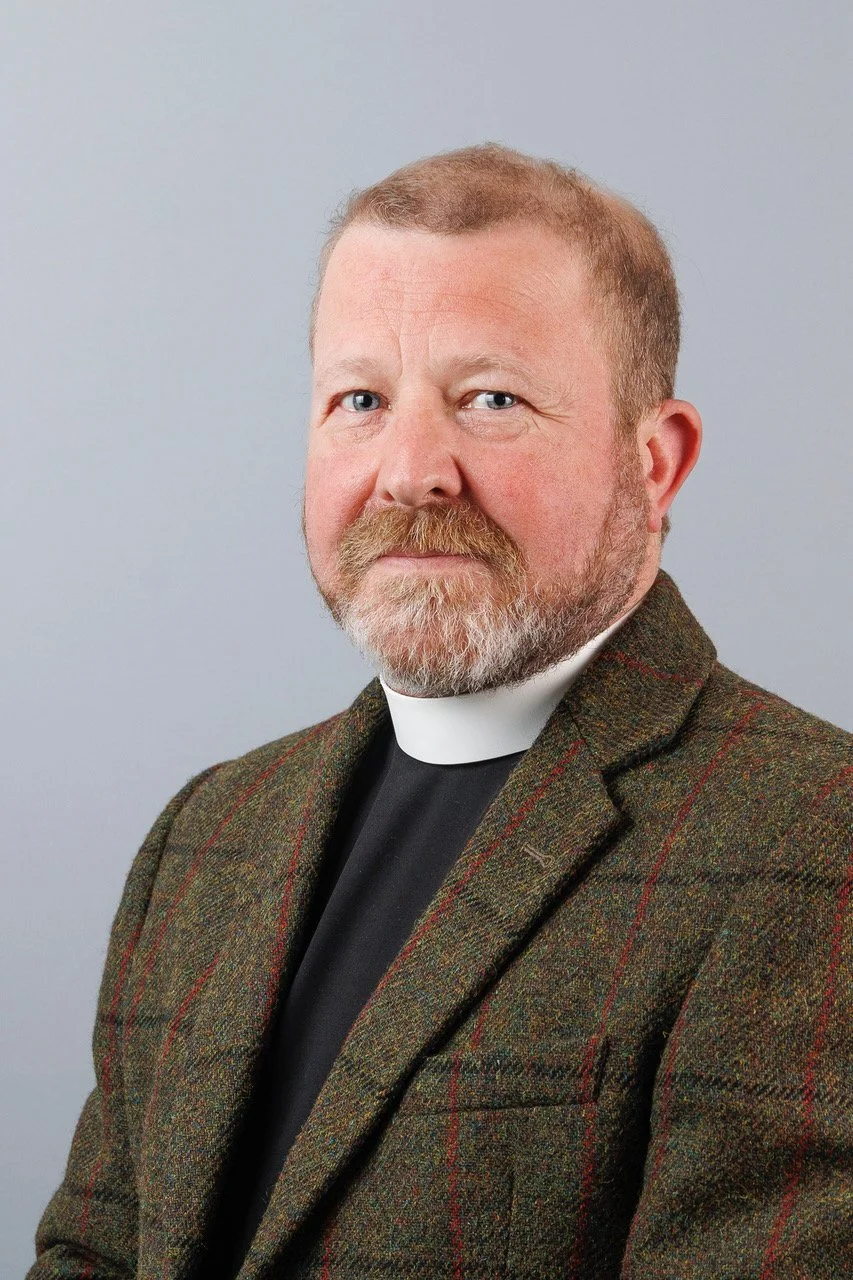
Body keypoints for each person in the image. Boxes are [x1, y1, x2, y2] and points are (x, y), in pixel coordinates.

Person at [30, 144, 852, 1280]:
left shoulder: (815, 839)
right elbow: (93, 1249)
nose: (410, 469)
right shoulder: (207, 835)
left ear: (654, 463)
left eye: (490, 399)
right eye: (360, 400)